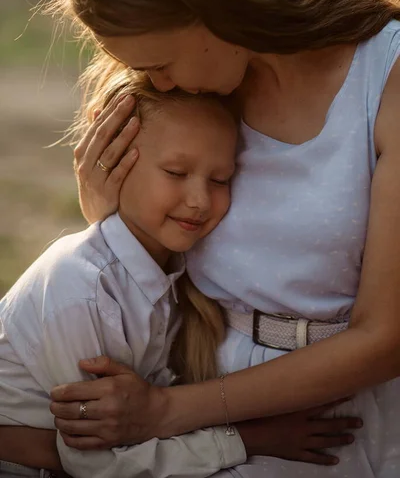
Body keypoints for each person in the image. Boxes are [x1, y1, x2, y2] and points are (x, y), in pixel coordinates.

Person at [3, 0, 400, 475]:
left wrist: (166, 411)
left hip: (346, 416)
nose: (156, 85)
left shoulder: (384, 79)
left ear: (216, 3)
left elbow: (385, 337)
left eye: (158, 64)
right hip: (202, 408)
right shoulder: (191, 102)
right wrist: (111, 219)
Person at [0, 75, 357, 478]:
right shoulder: (81, 290)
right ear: (114, 159)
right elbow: (94, 461)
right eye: (175, 172)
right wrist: (248, 439)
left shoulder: (168, 274)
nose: (200, 201)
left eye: (220, 180)